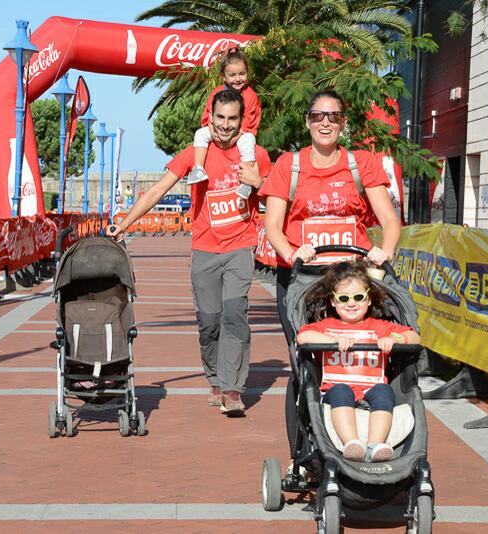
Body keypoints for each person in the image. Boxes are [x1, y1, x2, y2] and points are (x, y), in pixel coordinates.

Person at [107, 89, 271, 416]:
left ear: (242, 121)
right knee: (209, 323)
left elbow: (274, 196)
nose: (225, 126)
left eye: (232, 119)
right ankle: (214, 377)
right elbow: (157, 189)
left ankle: (232, 389)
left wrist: (259, 182)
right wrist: (125, 223)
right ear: (210, 117)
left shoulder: (256, 155)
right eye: (220, 118)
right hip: (205, 251)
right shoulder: (195, 153)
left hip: (240, 247)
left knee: (235, 316)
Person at [258, 90, 401, 347]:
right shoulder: (288, 165)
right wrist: (292, 255)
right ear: (307, 121)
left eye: (333, 116)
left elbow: (389, 219)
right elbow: (272, 225)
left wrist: (385, 251)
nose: (325, 122)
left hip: (351, 277)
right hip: (300, 275)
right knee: (303, 350)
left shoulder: (362, 163)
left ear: (343, 123)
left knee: (357, 345)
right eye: (318, 116)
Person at [297, 260, 420, 462]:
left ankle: (375, 444)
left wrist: (394, 339)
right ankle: (351, 442)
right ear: (333, 301)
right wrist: (332, 340)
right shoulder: (327, 326)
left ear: (369, 299)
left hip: (371, 388)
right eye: (344, 298)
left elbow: (414, 336)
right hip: (335, 390)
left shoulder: (380, 327)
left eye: (358, 297)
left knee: (384, 391)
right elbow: (303, 336)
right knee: (341, 390)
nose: (351, 303)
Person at [187, 49, 261, 201]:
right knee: (200, 134)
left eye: (242, 73)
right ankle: (198, 169)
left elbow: (247, 124)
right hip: (218, 131)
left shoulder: (250, 96)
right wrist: (212, 131)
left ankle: (246, 182)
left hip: (241, 134)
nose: (238, 79)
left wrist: (233, 138)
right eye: (232, 75)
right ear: (224, 77)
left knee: (248, 142)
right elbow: (207, 116)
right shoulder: (217, 92)